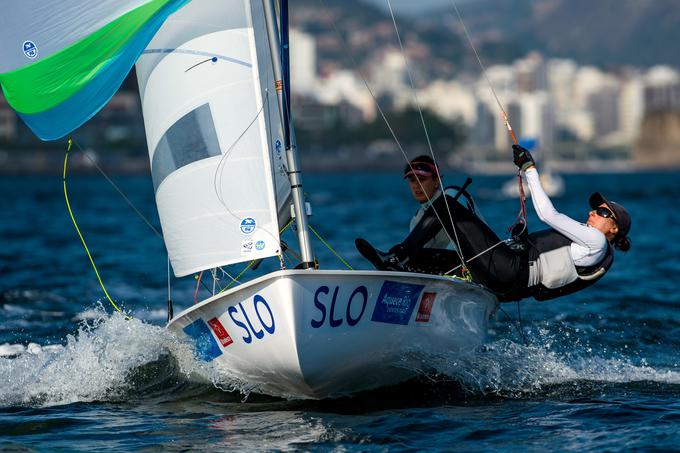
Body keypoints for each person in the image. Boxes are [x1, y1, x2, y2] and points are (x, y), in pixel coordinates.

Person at [356, 146, 632, 302]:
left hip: (511, 271)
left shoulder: (596, 242)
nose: (594, 213)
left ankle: (398, 255)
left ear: (615, 229)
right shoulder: (590, 249)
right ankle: (398, 268)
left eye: (603, 213)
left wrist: (530, 170)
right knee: (441, 258)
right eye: (595, 208)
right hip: (508, 277)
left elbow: (549, 215)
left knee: (447, 206)